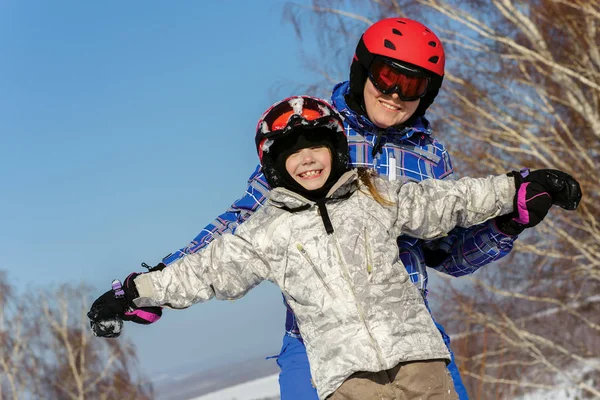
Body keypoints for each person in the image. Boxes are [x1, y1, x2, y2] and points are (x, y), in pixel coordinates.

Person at [88, 18, 560, 399]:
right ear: (363, 71)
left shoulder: (430, 158)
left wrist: (508, 220)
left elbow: (448, 255)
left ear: (427, 94)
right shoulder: (309, 132)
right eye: (387, 77)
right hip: (319, 340)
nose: (395, 94)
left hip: (409, 333)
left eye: (411, 86)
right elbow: (240, 227)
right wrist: (149, 287)